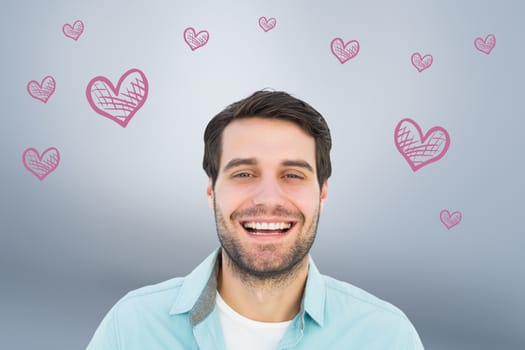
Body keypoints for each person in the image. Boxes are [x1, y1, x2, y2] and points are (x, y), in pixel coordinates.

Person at [86, 90, 424, 349]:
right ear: (211, 191)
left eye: (292, 175)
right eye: (244, 173)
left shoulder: (387, 337)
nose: (268, 199)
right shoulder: (130, 328)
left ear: (322, 194)